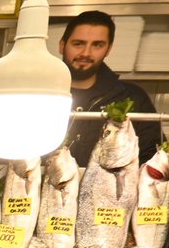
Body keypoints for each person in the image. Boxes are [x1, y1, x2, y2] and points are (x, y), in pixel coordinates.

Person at [60, 10, 162, 166]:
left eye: (97, 45)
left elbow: (152, 158)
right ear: (62, 45)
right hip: (41, 187)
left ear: (108, 49)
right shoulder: (35, 92)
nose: (86, 53)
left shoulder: (132, 97)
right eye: (78, 43)